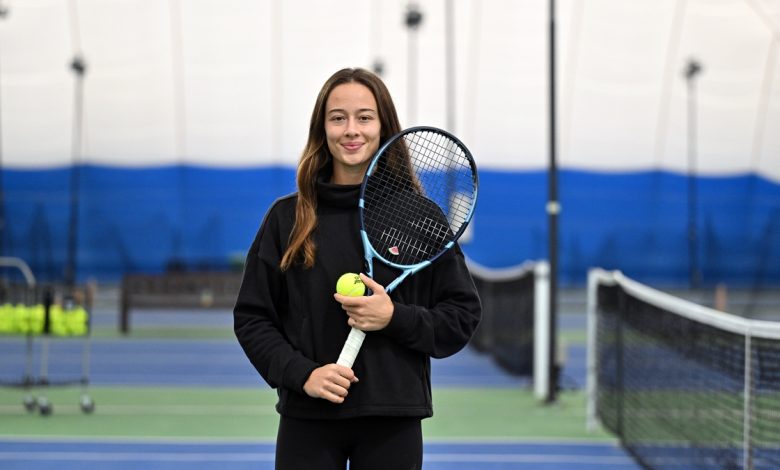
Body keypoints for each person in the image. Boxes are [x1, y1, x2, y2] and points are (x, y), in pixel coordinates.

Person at [233, 67, 481, 470]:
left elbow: (461, 317)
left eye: (364, 117)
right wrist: (302, 375)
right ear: (322, 128)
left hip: (392, 420)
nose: (351, 130)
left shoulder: (420, 217)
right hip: (307, 418)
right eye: (338, 118)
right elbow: (253, 318)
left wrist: (394, 317)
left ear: (383, 127)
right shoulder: (286, 218)